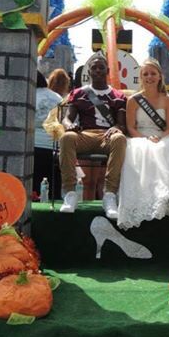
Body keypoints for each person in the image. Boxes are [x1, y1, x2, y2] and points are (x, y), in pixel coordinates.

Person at [117, 58, 169, 230]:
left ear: (160, 76)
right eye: (145, 74)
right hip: (140, 137)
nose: (149, 77)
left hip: (163, 136)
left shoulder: (168, 100)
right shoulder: (133, 100)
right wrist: (146, 138)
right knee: (142, 151)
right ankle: (147, 200)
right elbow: (131, 127)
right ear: (140, 77)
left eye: (153, 73)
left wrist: (160, 137)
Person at [59, 55, 127, 217]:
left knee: (120, 138)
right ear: (88, 71)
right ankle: (70, 193)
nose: (97, 70)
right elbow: (67, 118)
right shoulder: (78, 93)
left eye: (101, 67)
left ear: (107, 71)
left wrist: (116, 128)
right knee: (66, 138)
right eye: (94, 68)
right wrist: (69, 125)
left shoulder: (118, 96)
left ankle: (109, 194)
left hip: (107, 136)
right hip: (86, 134)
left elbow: (121, 124)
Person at [33, 71, 62, 197]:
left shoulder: (30, 95)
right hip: (53, 146)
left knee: (34, 186)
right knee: (52, 186)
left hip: (33, 146)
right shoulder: (58, 98)